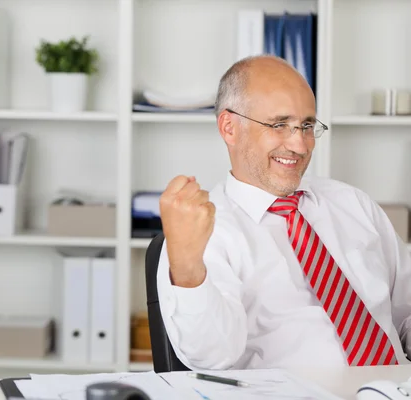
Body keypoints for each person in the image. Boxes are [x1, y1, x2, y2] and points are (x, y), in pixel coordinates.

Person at [157, 55, 411, 370]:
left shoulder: (353, 204)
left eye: (306, 126)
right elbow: (211, 356)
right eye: (279, 125)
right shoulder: (204, 231)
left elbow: (404, 314)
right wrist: (187, 266)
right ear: (229, 128)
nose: (301, 146)